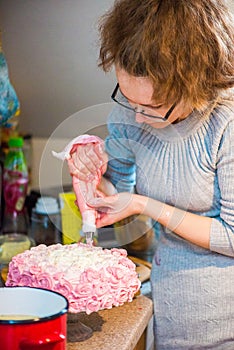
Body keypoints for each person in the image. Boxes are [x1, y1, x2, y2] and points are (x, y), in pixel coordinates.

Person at [67, 0, 234, 348]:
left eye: (154, 107)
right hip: (166, 309)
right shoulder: (131, 115)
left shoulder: (226, 125)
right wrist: (92, 177)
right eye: (129, 99)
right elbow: (118, 193)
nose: (139, 118)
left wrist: (146, 205)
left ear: (198, 87)